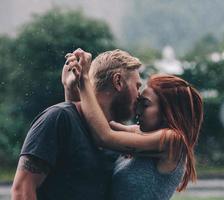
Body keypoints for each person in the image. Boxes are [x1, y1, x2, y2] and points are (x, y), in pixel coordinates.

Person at [63, 49, 204, 200]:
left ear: (167, 111)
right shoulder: (143, 135)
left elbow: (104, 137)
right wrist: (71, 86)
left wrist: (84, 79)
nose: (138, 109)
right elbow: (89, 125)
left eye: (145, 104)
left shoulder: (173, 141)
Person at [11, 49, 143, 200]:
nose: (140, 96)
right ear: (118, 81)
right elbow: (22, 191)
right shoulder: (59, 118)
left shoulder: (115, 139)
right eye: (137, 86)